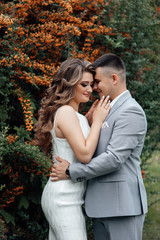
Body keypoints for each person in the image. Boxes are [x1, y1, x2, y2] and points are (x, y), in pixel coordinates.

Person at [50, 53, 148, 240]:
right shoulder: (104, 108)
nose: (94, 87)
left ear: (114, 79)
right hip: (100, 206)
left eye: (96, 82)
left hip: (123, 208)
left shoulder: (131, 111)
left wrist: (72, 171)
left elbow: (114, 158)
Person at [34, 58, 111, 240]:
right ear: (69, 85)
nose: (90, 89)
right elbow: (84, 155)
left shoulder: (75, 115)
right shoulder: (66, 113)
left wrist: (89, 120)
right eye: (84, 84)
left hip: (68, 197)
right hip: (63, 199)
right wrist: (98, 122)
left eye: (91, 84)